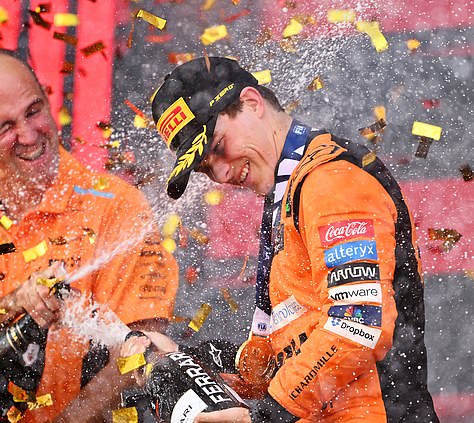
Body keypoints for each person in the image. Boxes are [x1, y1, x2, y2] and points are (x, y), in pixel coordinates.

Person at [149, 57, 438, 422]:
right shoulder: (287, 190)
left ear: (252, 103)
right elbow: (297, 341)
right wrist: (195, 361)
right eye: (205, 168)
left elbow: (358, 326)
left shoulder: (329, 179)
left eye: (218, 145)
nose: (221, 172)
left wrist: (265, 418)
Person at [0, 48, 178, 422]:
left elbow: (143, 351)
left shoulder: (117, 205)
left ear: (46, 98)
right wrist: (15, 303)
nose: (28, 134)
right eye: (5, 127)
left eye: (33, 110)